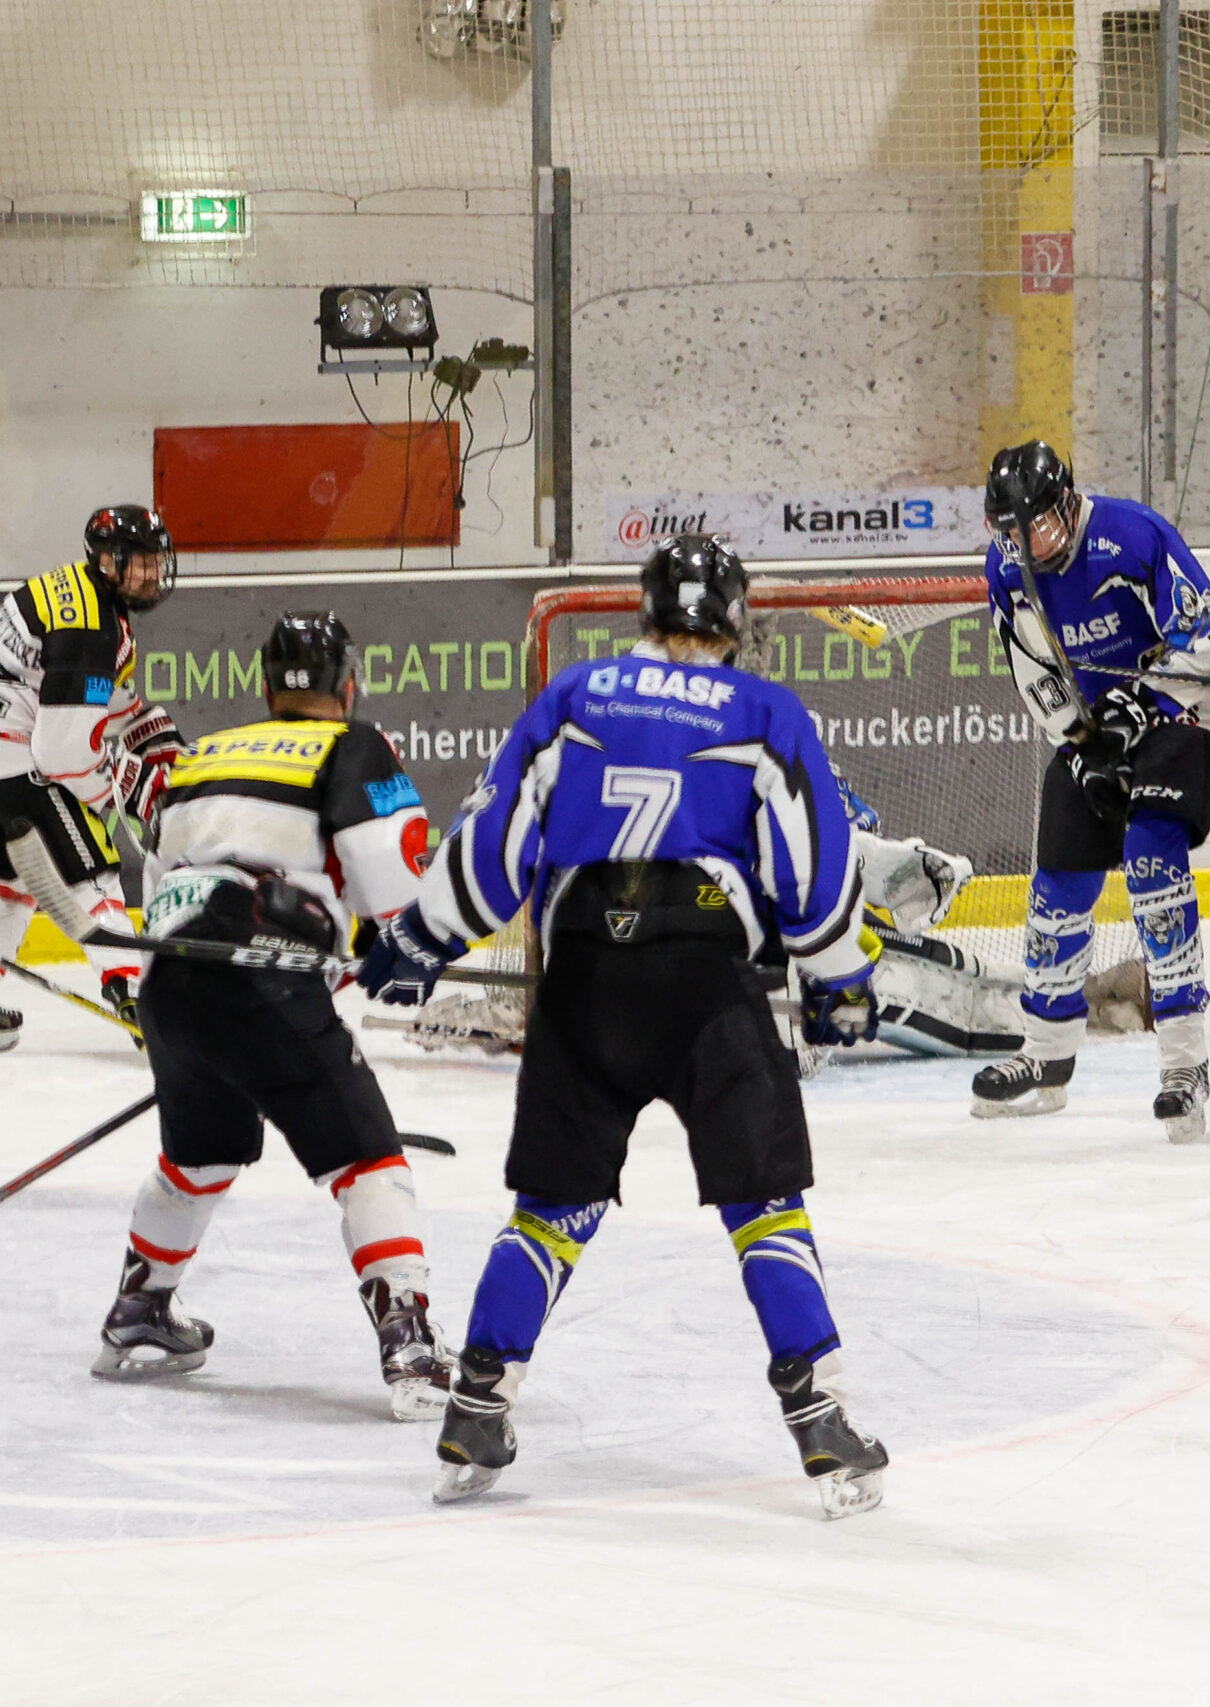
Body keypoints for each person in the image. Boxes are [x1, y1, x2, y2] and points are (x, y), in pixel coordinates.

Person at [359, 533, 892, 1518]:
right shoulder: (762, 709)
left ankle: (478, 1404)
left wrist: (421, 938)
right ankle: (821, 1421)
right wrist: (839, 975)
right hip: (706, 978)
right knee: (765, 1207)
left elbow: (494, 841)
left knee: (549, 1212)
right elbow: (812, 870)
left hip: (584, 975)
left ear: (644, 612)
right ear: (734, 618)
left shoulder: (575, 696)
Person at [87, 612, 451, 1420]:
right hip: (266, 974)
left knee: (200, 1155)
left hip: (171, 978)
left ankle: (141, 1308)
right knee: (369, 1161)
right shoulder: (354, 746)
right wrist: (401, 951)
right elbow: (391, 891)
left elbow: (163, 879)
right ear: (347, 685)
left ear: (264, 687)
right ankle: (411, 1343)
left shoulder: (201, 757)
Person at [970, 440, 1210, 1139]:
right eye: (1011, 531)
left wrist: (1145, 702)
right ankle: (1046, 1051)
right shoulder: (1006, 568)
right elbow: (1034, 672)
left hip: (1187, 718)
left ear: (1066, 503)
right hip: (1099, 731)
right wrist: (1082, 739)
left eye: (1037, 526)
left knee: (1151, 860)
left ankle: (1185, 1063)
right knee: (1059, 878)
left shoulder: (1133, 535)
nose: (1026, 545)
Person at [0, 504, 184, 1051]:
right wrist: (127, 786)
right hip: (3, 745)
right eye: (139, 563)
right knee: (91, 872)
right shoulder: (92, 626)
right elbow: (63, 754)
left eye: (156, 561)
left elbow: (89, 694)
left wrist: (154, 737)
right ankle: (140, 1002)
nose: (152, 574)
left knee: (14, 878)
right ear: (106, 562)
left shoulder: (79, 592)